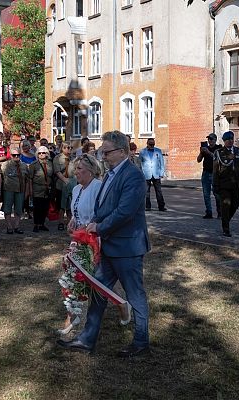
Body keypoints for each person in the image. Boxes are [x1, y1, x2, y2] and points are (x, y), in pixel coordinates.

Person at [57, 130, 150, 358]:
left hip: (127, 248)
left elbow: (124, 212)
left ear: (121, 151)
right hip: (108, 247)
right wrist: (95, 222)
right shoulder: (110, 174)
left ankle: (141, 342)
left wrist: (99, 226)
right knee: (98, 292)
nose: (103, 157)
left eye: (106, 152)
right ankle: (87, 339)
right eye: (102, 152)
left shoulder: (133, 176)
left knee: (135, 295)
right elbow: (105, 208)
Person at [58, 153, 102, 334]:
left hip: (94, 239)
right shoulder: (76, 189)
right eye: (75, 169)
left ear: (91, 171)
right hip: (78, 238)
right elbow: (76, 213)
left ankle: (122, 305)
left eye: (79, 169)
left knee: (92, 277)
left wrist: (87, 224)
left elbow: (100, 213)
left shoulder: (98, 187)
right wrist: (73, 221)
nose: (75, 172)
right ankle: (72, 315)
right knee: (73, 274)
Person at [212, 131, 239, 237]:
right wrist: (215, 184)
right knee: (225, 205)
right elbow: (215, 170)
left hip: (236, 183)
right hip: (224, 184)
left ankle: (226, 220)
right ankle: (226, 228)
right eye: (228, 139)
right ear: (224, 141)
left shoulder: (238, 151)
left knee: (235, 205)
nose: (230, 141)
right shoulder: (219, 152)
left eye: (231, 139)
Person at [2, 149, 28, 234]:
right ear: (10, 155)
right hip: (8, 189)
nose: (16, 157)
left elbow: (27, 179)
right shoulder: (5, 165)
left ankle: (17, 226)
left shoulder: (24, 165)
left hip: (20, 189)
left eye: (18, 155)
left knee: (19, 209)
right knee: (7, 209)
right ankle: (9, 226)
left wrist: (27, 191)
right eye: (14, 155)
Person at [197, 133, 222, 219]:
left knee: (217, 194)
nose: (210, 141)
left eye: (211, 139)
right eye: (209, 139)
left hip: (215, 174)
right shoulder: (205, 148)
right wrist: (201, 153)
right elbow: (198, 160)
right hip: (206, 173)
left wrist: (209, 152)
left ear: (215, 140)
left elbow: (218, 159)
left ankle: (220, 212)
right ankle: (209, 212)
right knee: (206, 194)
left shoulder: (219, 148)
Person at [29, 146, 53, 232]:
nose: (41, 154)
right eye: (39, 153)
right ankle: (36, 224)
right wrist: (30, 190)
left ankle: (42, 224)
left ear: (47, 154)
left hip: (47, 189)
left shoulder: (50, 164)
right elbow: (30, 178)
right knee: (37, 207)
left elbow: (52, 176)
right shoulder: (33, 165)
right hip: (37, 188)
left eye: (43, 153)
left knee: (45, 207)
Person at [139, 138, 167, 211]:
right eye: (150, 144)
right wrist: (141, 173)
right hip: (146, 174)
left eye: (153, 144)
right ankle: (147, 206)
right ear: (147, 144)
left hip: (156, 174)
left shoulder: (158, 151)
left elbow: (161, 163)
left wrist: (161, 173)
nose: (152, 146)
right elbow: (139, 163)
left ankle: (161, 206)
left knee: (159, 191)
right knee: (146, 191)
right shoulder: (142, 152)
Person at [54, 142, 76, 230]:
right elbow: (57, 171)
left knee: (70, 204)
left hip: (72, 183)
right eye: (66, 147)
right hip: (61, 184)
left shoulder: (74, 159)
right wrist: (64, 179)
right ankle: (61, 222)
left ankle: (70, 223)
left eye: (70, 148)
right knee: (61, 205)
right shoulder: (57, 158)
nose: (68, 149)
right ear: (62, 148)